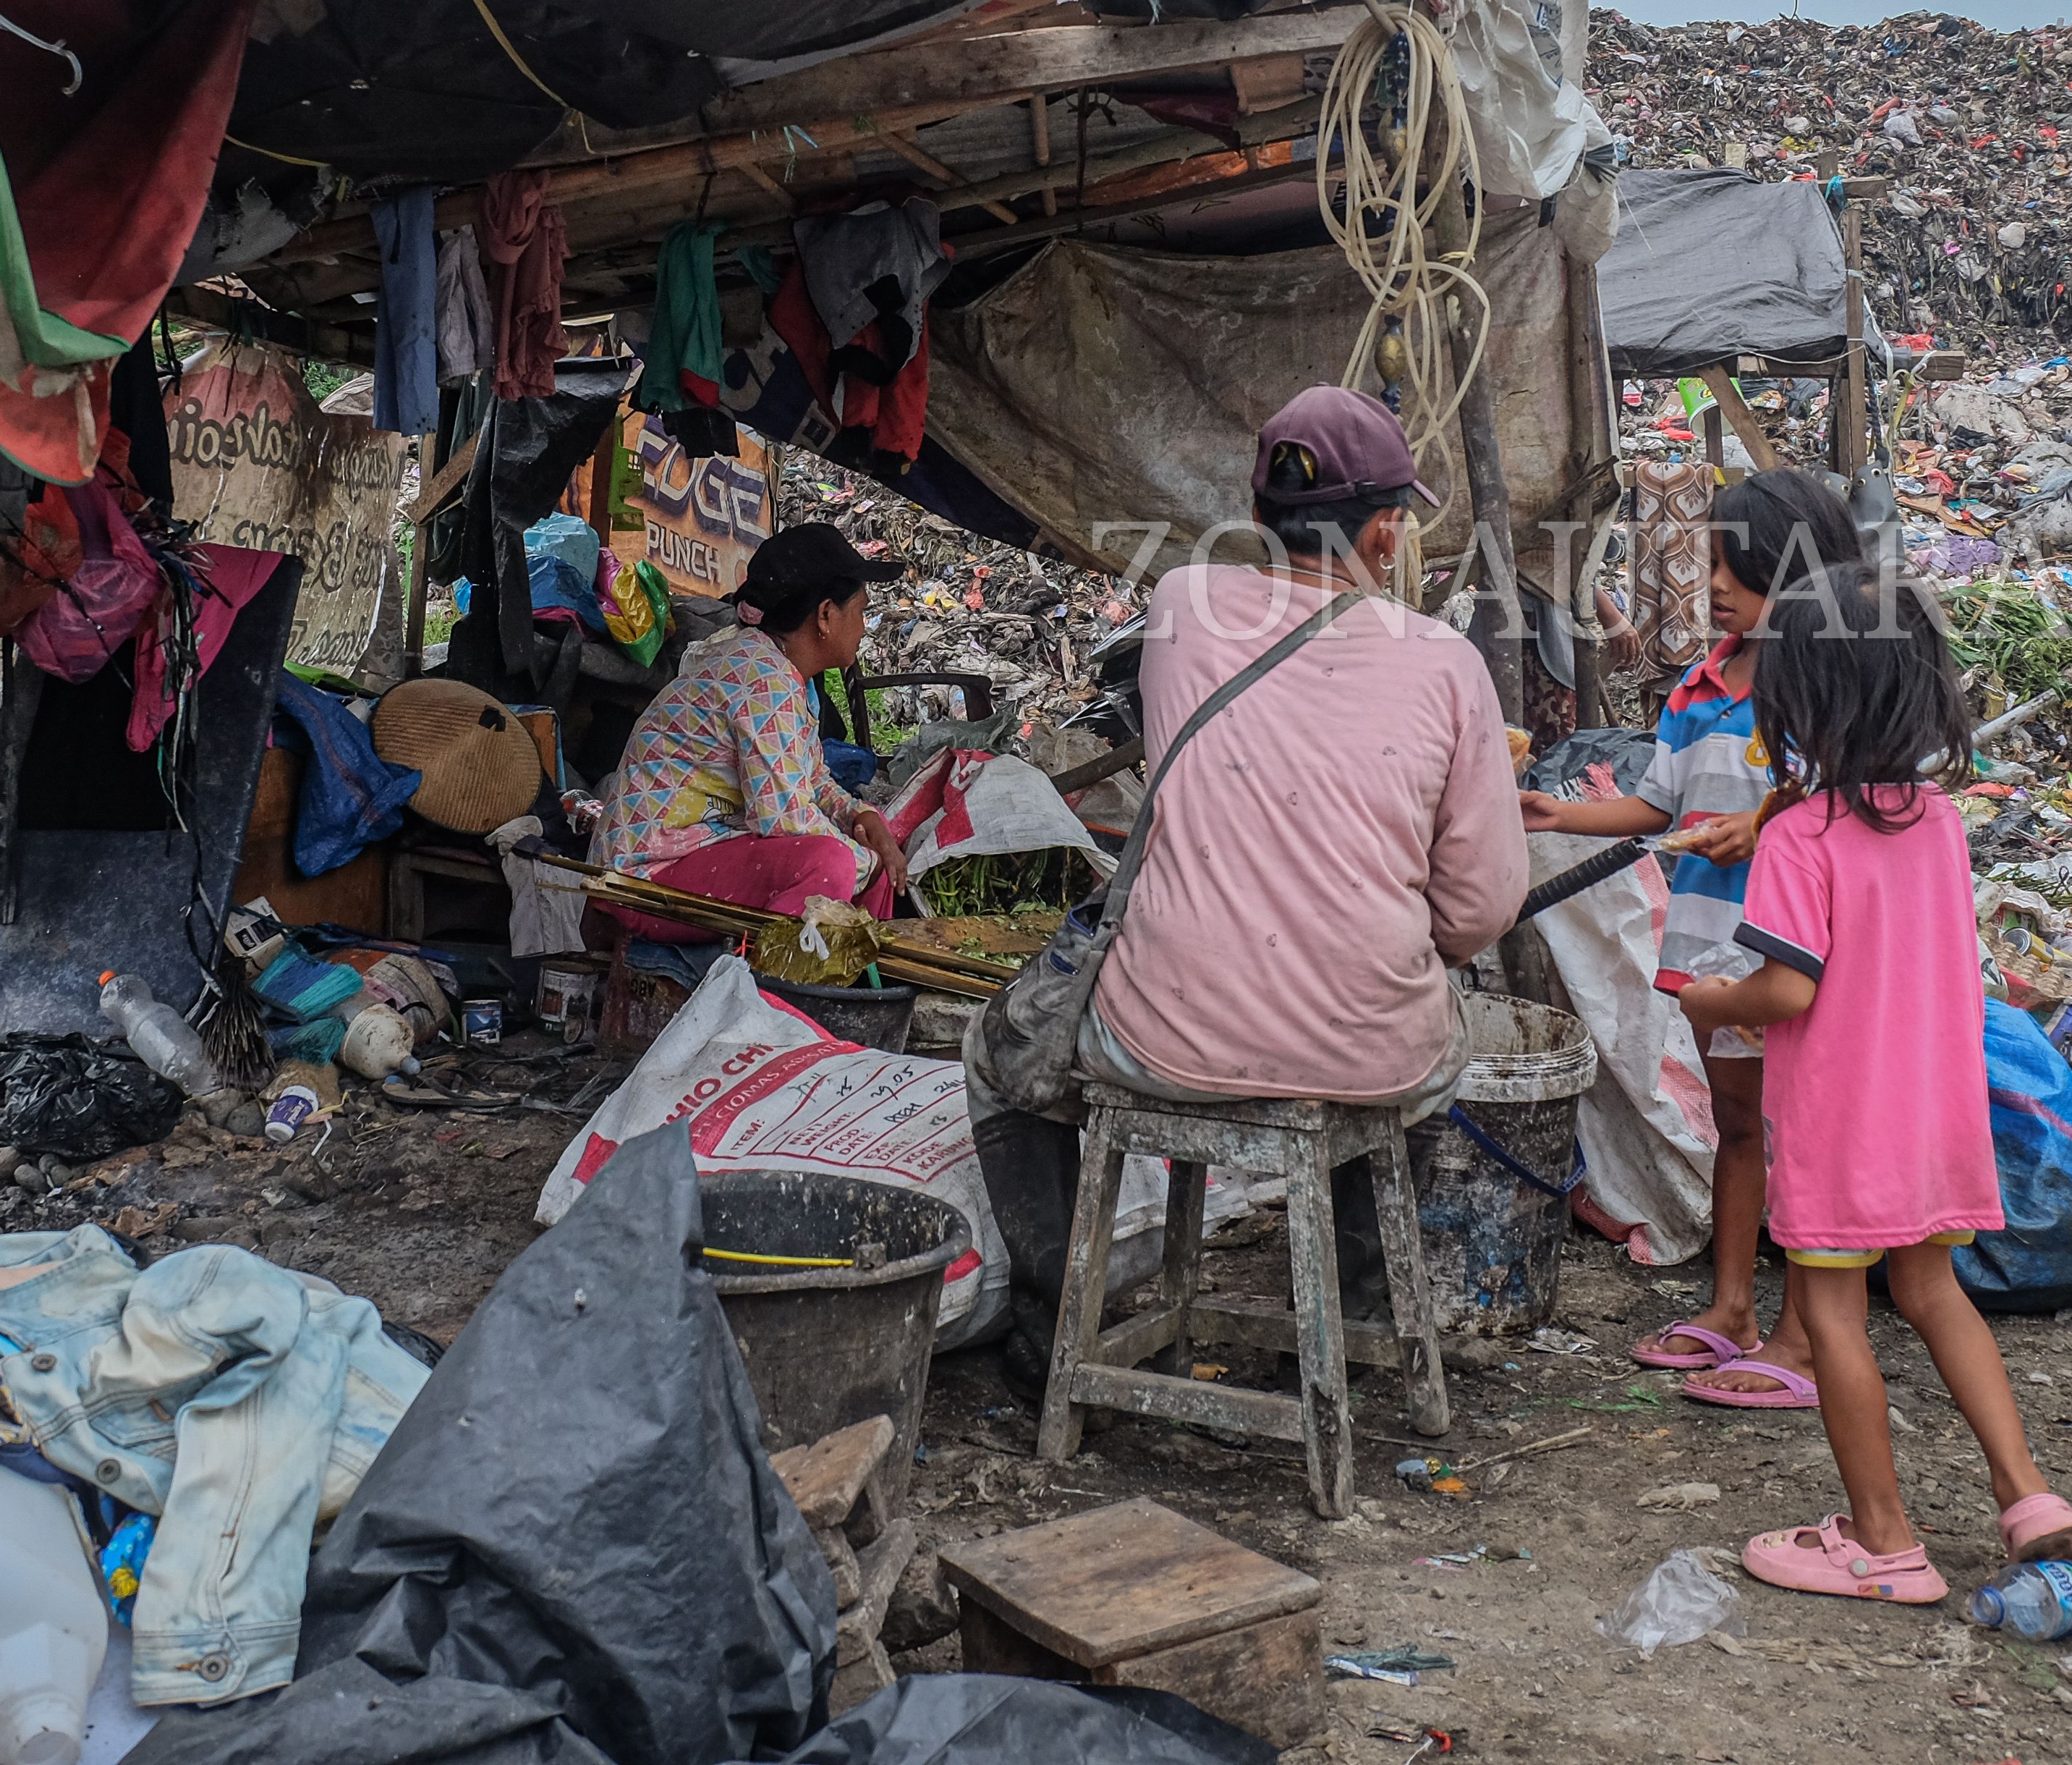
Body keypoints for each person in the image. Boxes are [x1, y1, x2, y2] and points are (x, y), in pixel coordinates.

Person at [975, 385, 1526, 1380]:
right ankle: (1360, 1324)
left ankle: (1061, 1328)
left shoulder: (1179, 606)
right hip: (1373, 1050)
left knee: (998, 1051)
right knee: (1424, 1052)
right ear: (1392, 531)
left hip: (1165, 1036)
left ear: (1260, 511)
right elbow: (1482, 906)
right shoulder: (1447, 664)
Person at [1677, 562, 2072, 1601]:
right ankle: (2028, 1493)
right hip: (1936, 1115)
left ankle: (1884, 1541)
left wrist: (1708, 1002)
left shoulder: (1799, 837)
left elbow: (1785, 991)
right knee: (1934, 1291)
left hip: (1840, 1123)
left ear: (1799, 701)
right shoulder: (1942, 823)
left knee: (1832, 1316)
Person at [1520, 470, 1859, 1410]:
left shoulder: (1821, 686)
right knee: (1740, 1128)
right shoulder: (1701, 687)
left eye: (1734, 569)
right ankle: (1735, 1308)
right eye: (1711, 563)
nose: (1712, 585)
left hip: (1795, 956)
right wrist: (1562, 816)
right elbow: (1658, 805)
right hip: (1714, 951)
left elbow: (1838, 802)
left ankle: (1805, 1330)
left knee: (1803, 1136)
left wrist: (1765, 826)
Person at [596, 521, 910, 936]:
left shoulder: (778, 671)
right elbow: (783, 819)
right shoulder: (762, 679)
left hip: (691, 855)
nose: (865, 626)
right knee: (831, 862)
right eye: (862, 611)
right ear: (826, 616)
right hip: (643, 876)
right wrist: (868, 861)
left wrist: (860, 814)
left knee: (866, 857)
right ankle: (767, 990)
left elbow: (812, 778)